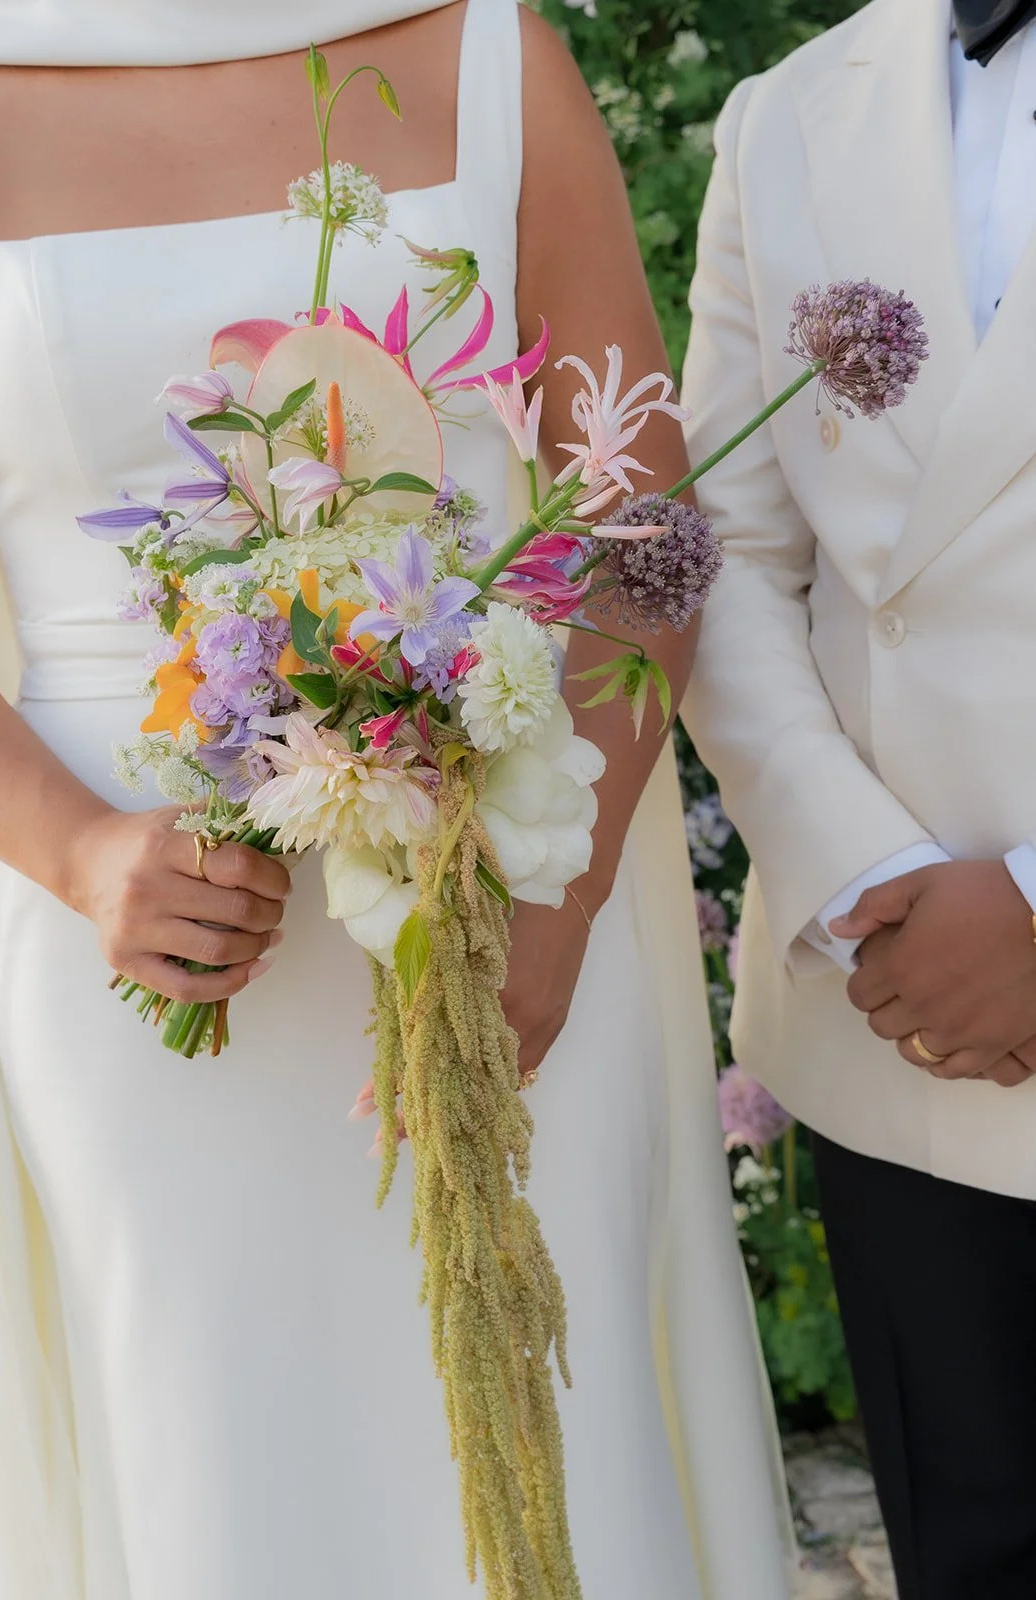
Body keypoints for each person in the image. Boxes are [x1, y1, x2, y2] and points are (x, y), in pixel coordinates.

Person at [0, 1, 792, 1594]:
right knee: (216, 1462)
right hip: (145, 952)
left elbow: (640, 531)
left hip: (511, 901)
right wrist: (79, 853)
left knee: (547, 1462)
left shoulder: (492, 51)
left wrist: (546, 908)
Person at [683, 0, 1036, 1595]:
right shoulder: (784, 115)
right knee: (975, 1545)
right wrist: (861, 871)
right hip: (897, 1025)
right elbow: (727, 552)